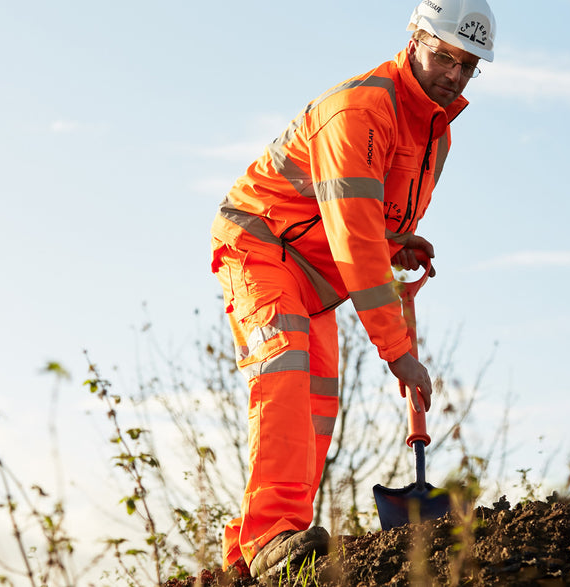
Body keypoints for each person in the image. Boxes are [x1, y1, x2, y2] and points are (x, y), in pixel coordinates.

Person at [209, 0, 497, 580]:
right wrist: (398, 352)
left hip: (316, 275)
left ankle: (255, 554)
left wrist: (400, 242)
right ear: (415, 38)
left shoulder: (434, 136)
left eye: (468, 66)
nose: (454, 75)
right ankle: (270, 535)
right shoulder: (360, 110)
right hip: (261, 245)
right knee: (284, 372)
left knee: (315, 403)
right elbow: (355, 238)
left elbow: (371, 225)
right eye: (445, 56)